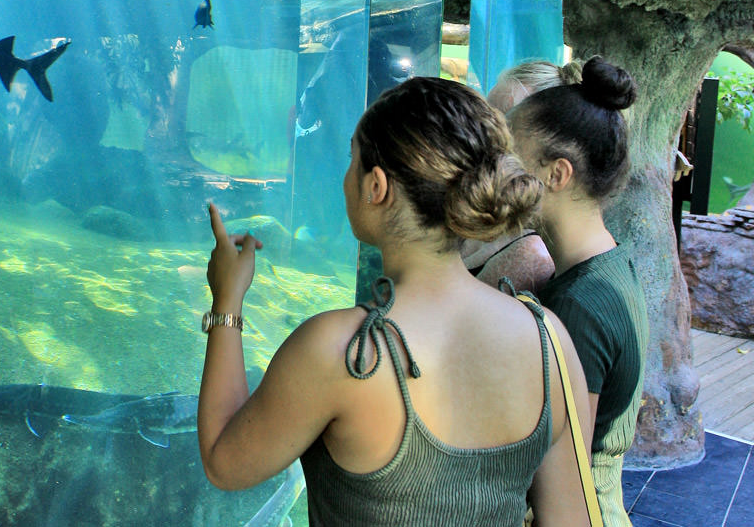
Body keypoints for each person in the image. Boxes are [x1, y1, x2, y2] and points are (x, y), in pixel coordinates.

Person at [198, 77, 593, 526]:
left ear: (376, 186)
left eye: (352, 160)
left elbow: (224, 462)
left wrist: (227, 300)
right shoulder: (549, 340)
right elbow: (572, 519)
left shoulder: (341, 351)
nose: (346, 178)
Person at [507, 56, 649, 527]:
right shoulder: (610, 264)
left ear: (557, 174)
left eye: (510, 157)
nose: (497, 172)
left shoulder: (578, 305)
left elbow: (564, 480)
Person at [464, 59, 583, 292]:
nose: (483, 138)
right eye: (486, 120)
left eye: (505, 126)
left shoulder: (530, 252)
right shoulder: (484, 209)